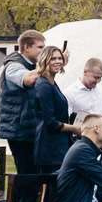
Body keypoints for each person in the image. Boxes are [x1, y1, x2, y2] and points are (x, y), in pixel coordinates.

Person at [0, 29, 47, 174]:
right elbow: (28, 79)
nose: (43, 52)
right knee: (27, 174)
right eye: (40, 47)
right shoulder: (13, 66)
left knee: (36, 173)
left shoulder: (33, 66)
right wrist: (48, 64)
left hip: (31, 130)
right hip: (19, 132)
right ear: (26, 47)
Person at [28, 45, 72, 177]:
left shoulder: (52, 83)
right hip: (49, 147)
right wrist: (75, 128)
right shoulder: (43, 86)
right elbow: (50, 122)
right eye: (53, 59)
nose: (57, 61)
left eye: (60, 58)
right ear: (44, 60)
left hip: (59, 145)